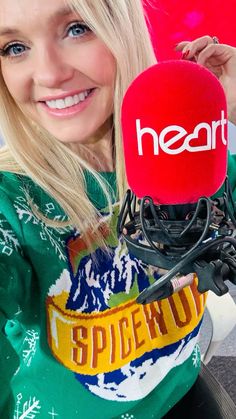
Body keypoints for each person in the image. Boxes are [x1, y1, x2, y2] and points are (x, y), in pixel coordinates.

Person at [0, 0, 235, 417]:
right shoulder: (10, 197)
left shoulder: (188, 146)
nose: (50, 74)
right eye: (14, 48)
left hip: (182, 393)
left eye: (76, 29)